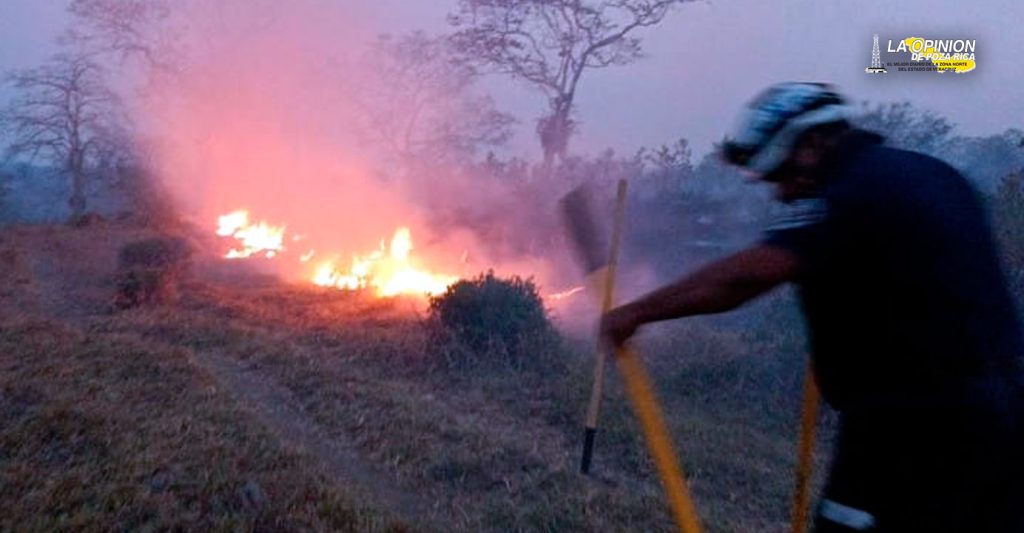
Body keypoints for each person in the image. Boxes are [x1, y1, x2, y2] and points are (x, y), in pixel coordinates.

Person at [601, 82, 1024, 532]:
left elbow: (743, 278)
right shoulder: (936, 175)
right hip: (1004, 424)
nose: (781, 193)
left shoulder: (847, 192)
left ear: (811, 143)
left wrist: (635, 313)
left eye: (780, 174)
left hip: (907, 431)